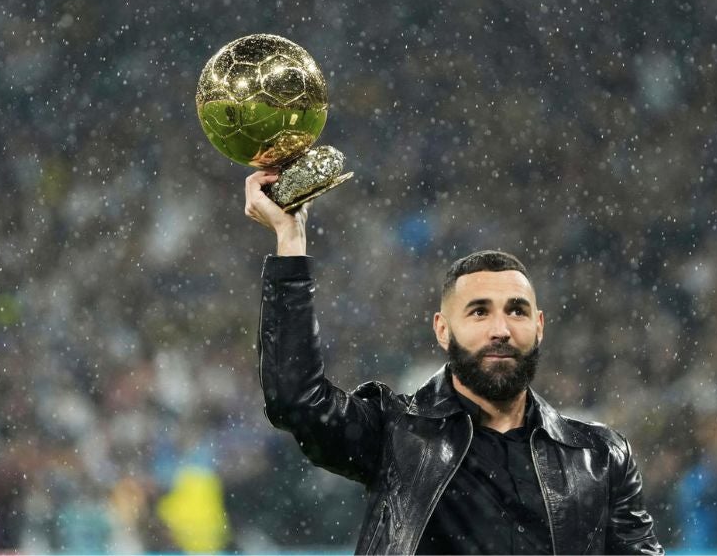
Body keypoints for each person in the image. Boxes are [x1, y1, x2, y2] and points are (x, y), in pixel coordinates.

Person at [244, 170, 664, 555]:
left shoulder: (600, 456)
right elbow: (297, 401)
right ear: (443, 329)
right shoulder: (397, 433)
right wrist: (290, 241)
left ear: (539, 327)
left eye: (516, 311)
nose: (500, 329)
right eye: (479, 311)